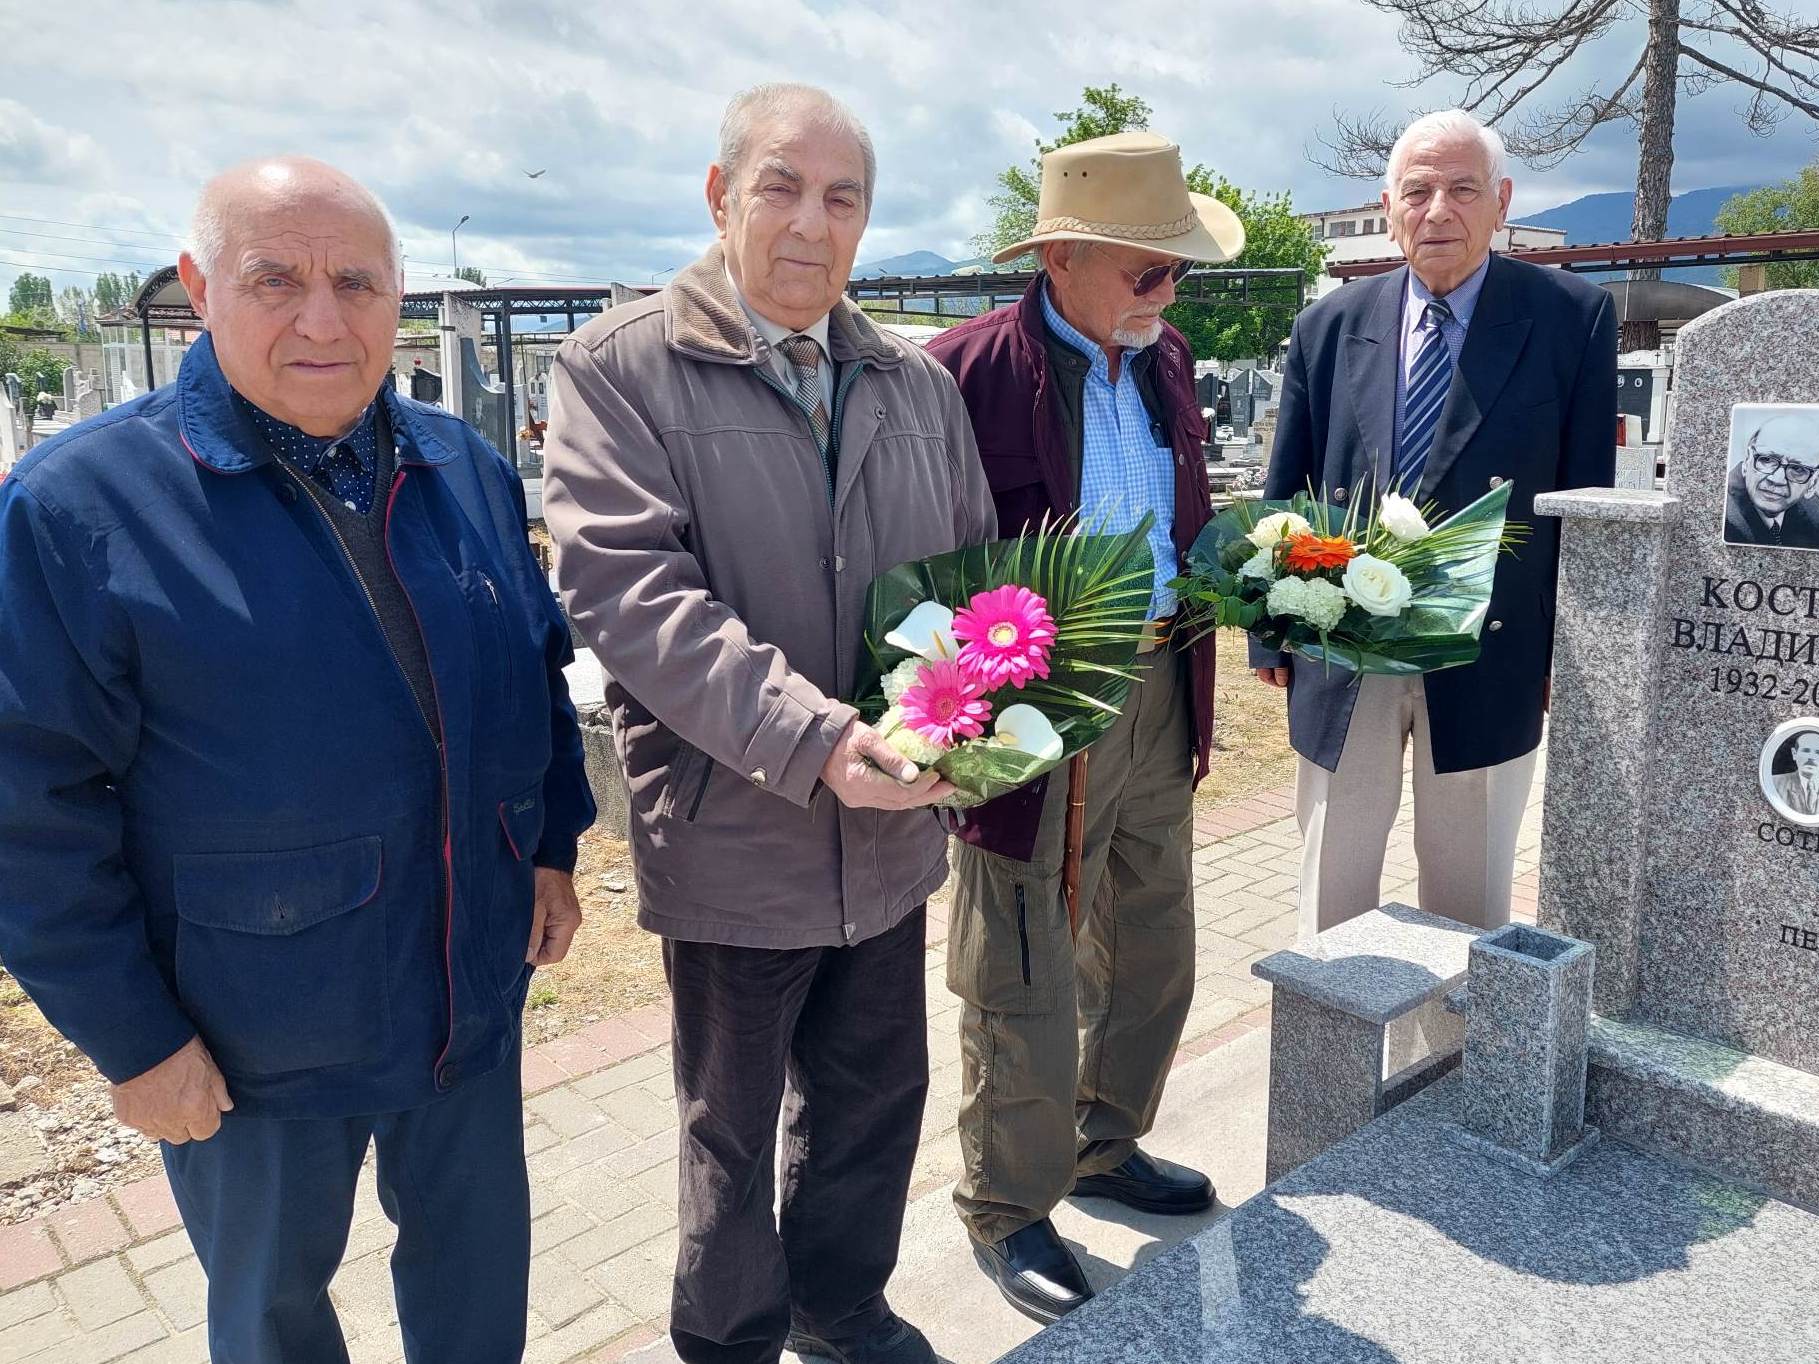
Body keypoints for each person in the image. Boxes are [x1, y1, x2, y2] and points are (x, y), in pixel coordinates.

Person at [0, 157, 595, 1364]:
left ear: (400, 299)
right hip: (248, 1025)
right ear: (197, 286)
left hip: (464, 977)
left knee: (478, 1289)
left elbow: (531, 669)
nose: (323, 319)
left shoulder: (459, 465)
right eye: (274, 279)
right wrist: (133, 1038)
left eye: (357, 283)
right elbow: (28, 801)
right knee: (272, 1312)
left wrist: (547, 845)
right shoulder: (81, 505)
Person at [543, 84, 997, 1364]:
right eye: (781, 188)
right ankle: (732, 1334)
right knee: (728, 1126)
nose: (811, 223)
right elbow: (631, 595)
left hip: (894, 826)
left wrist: (976, 724)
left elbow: (967, 588)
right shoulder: (618, 367)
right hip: (739, 823)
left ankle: (839, 1303)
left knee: (871, 1097)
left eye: (841, 197)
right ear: (718, 193)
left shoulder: (910, 383)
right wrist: (816, 743)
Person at [925, 131, 1242, 1324]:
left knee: (1152, 933)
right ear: (1058, 255)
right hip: (1033, 708)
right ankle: (1007, 1203)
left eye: (1176, 272)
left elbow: (1182, 518)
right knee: (1020, 959)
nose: (1167, 293)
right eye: (1145, 270)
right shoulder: (963, 371)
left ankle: (1102, 1143)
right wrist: (954, 730)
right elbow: (918, 565)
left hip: (1159, 686)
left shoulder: (1160, 358)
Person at [1256, 109, 1616, 937]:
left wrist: (1571, 651)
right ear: (1388, 205)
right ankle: (1328, 1063)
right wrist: (1272, 634)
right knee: (1330, 889)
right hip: (1345, 647)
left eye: (1461, 189)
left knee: (1469, 897)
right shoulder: (1328, 327)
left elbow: (1585, 499)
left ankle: (1454, 1062)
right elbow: (1288, 489)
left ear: (1501, 201)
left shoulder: (1570, 319)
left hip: (1492, 651)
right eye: (1417, 191)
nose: (1437, 211)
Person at [1723, 412, 1819, 549]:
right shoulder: (1726, 514)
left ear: (1813, 483)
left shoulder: (1816, 514)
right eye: (1767, 460)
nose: (1777, 479)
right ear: (1747, 461)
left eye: (1797, 469)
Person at [1778, 733, 1819, 817]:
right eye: (1806, 750)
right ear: (1794, 754)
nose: (1811, 757)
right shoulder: (1775, 784)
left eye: (1818, 752)